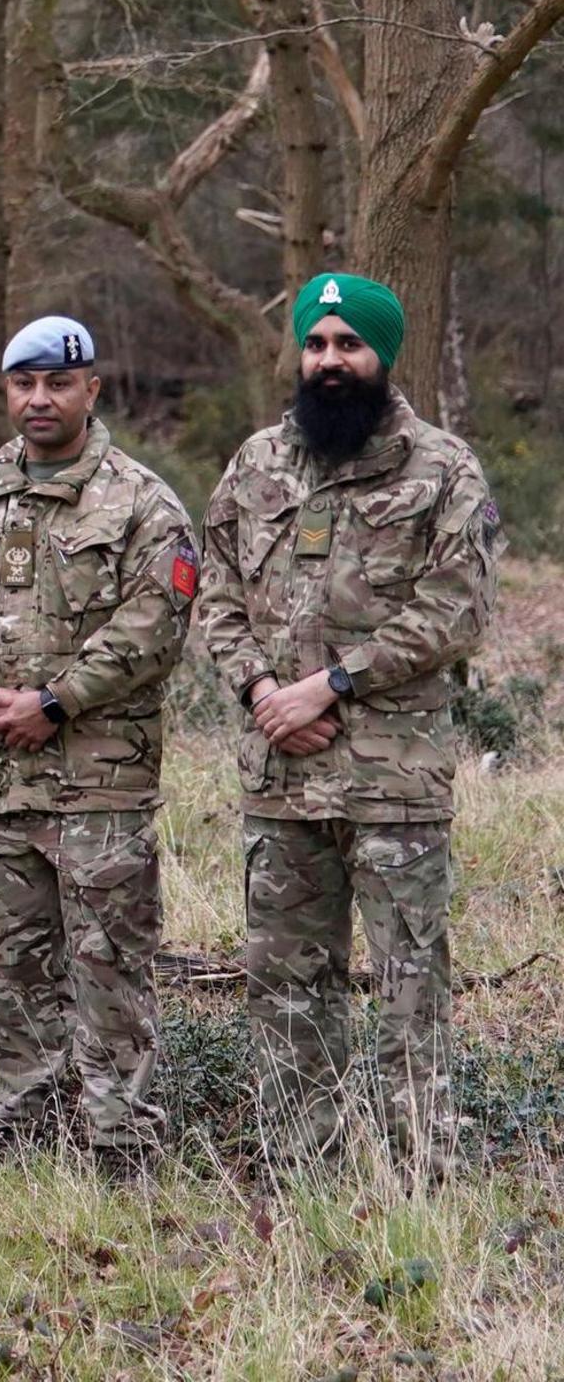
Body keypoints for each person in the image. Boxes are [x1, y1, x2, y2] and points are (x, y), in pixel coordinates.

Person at [195, 273, 498, 1162]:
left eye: (348, 345)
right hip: (281, 778)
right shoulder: (255, 465)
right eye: (316, 344)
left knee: (410, 980)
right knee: (287, 982)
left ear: (382, 355)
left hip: (393, 781)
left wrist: (330, 685)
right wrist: (262, 695)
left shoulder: (443, 467)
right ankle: (300, 1161)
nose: (329, 361)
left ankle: (421, 1168)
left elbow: (458, 607)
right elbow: (215, 590)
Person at [0, 315, 193, 1173]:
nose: (39, 400)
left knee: (110, 968)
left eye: (57, 384)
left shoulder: (143, 502)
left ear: (91, 390)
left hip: (100, 786)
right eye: (24, 384)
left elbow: (156, 622)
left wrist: (57, 701)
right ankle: (21, 1126)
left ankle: (118, 1137)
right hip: (0, 786)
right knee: (6, 966)